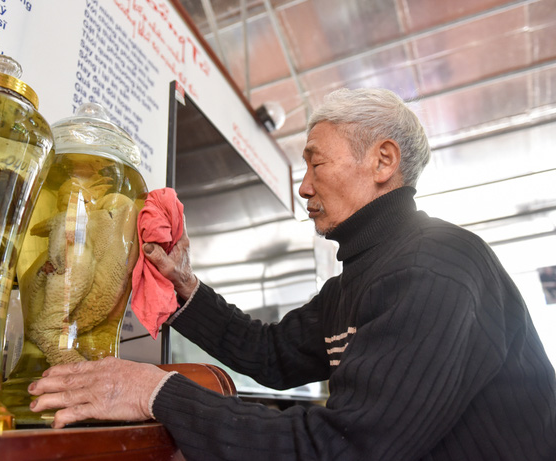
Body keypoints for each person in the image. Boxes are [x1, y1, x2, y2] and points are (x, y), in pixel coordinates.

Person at [28, 88, 556, 460]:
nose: (303, 187)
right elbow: (271, 353)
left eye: (315, 163)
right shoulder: (352, 285)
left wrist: (155, 391)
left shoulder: (439, 269)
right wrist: (185, 289)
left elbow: (347, 448)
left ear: (383, 160)